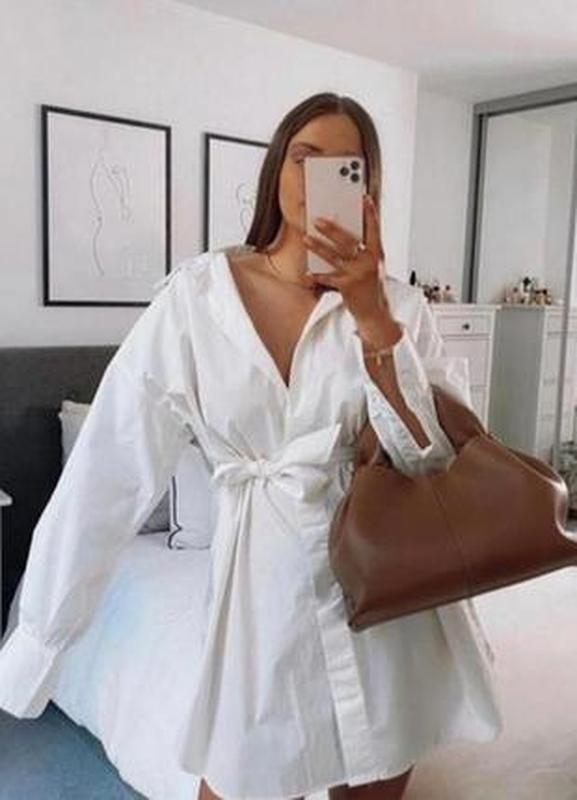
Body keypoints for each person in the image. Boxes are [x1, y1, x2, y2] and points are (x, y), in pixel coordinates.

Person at [0, 92, 503, 800]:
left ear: (368, 187)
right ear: (276, 171)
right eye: (305, 158)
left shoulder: (400, 308)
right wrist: (42, 634)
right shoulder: (197, 300)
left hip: (387, 607)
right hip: (262, 607)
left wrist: (372, 319)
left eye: (345, 167)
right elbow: (107, 469)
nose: (319, 179)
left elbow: (436, 458)